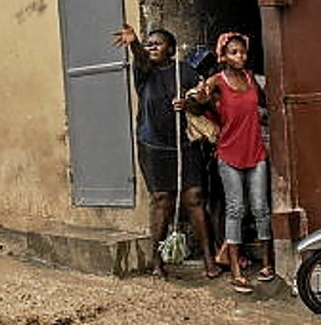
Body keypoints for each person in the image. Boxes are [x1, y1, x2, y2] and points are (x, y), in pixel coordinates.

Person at [112, 23, 218, 278]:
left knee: (194, 198)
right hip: (154, 146)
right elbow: (140, 56)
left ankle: (208, 259)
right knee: (162, 201)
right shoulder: (144, 71)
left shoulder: (185, 71)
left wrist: (189, 102)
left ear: (170, 49)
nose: (152, 47)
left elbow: (201, 102)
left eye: (157, 43)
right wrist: (135, 43)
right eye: (149, 44)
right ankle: (157, 261)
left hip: (185, 144)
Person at [188, 32, 275, 294]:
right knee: (235, 209)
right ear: (223, 56)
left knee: (261, 208)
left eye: (243, 52)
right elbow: (196, 105)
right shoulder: (216, 81)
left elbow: (265, 106)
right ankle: (236, 270)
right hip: (228, 153)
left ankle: (268, 263)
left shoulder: (251, 79)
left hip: (256, 151)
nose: (241, 56)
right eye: (234, 52)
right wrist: (197, 98)